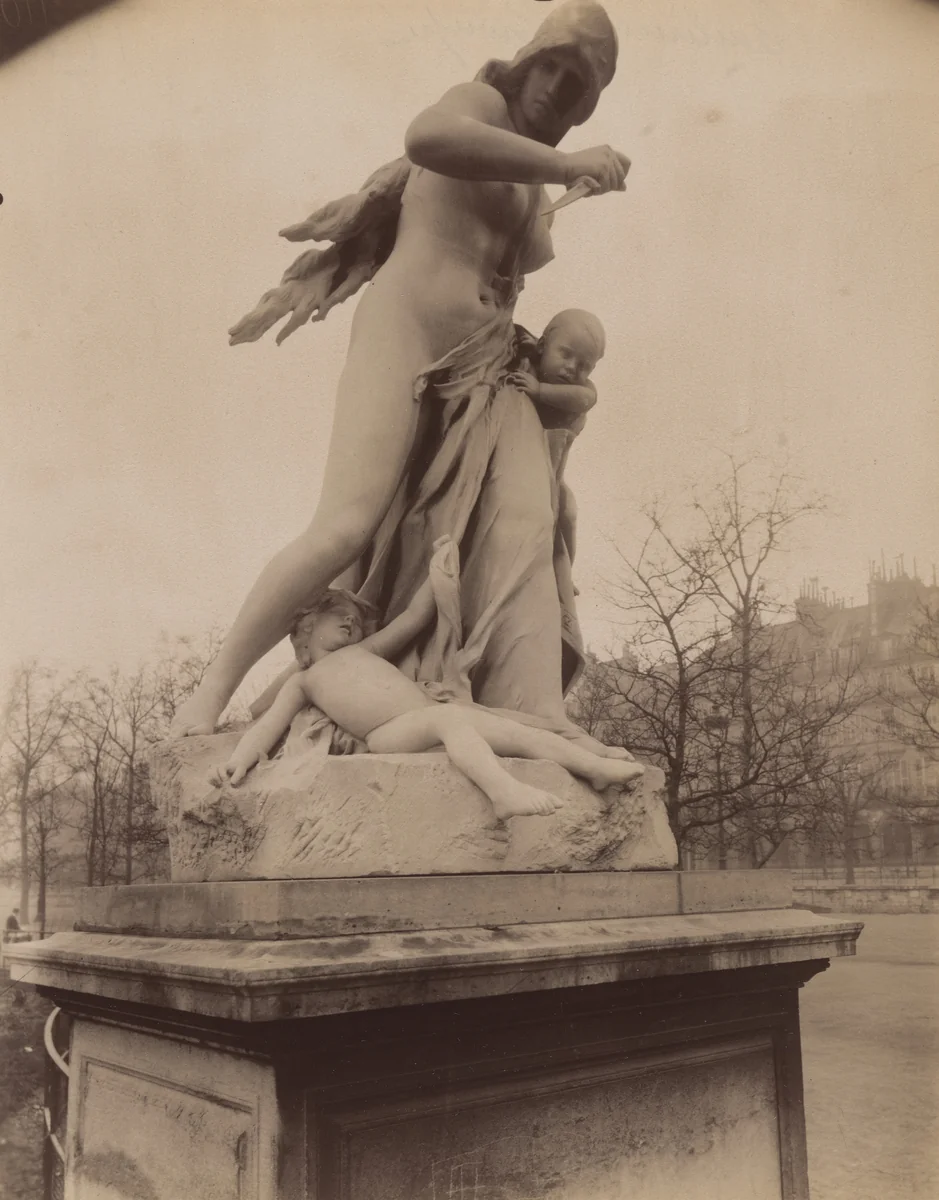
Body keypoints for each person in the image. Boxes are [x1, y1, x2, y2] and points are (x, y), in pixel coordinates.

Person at [171, 0, 629, 739]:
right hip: (407, 333)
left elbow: (519, 245)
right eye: (549, 66)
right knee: (345, 526)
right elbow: (428, 136)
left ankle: (530, 709)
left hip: (485, 365)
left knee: (527, 518)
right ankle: (210, 690)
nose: (554, 89)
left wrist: (568, 186)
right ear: (524, 59)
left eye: (576, 84)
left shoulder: (531, 176)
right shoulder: (478, 105)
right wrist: (566, 163)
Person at [209, 562, 644, 821]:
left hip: (425, 715)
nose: (350, 624)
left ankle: (592, 766)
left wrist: (436, 572)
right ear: (306, 627)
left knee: (515, 731)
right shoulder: (302, 681)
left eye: (355, 621)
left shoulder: (365, 649)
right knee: (450, 718)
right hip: (387, 733)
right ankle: (503, 793)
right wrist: (237, 764)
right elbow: (266, 729)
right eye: (338, 615)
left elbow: (414, 618)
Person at [507, 307, 605, 569]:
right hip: (517, 462)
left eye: (584, 366)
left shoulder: (582, 391)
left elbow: (585, 400)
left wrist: (539, 391)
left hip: (551, 473)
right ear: (542, 346)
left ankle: (564, 570)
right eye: (565, 354)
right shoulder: (530, 359)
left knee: (568, 513)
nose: (572, 368)